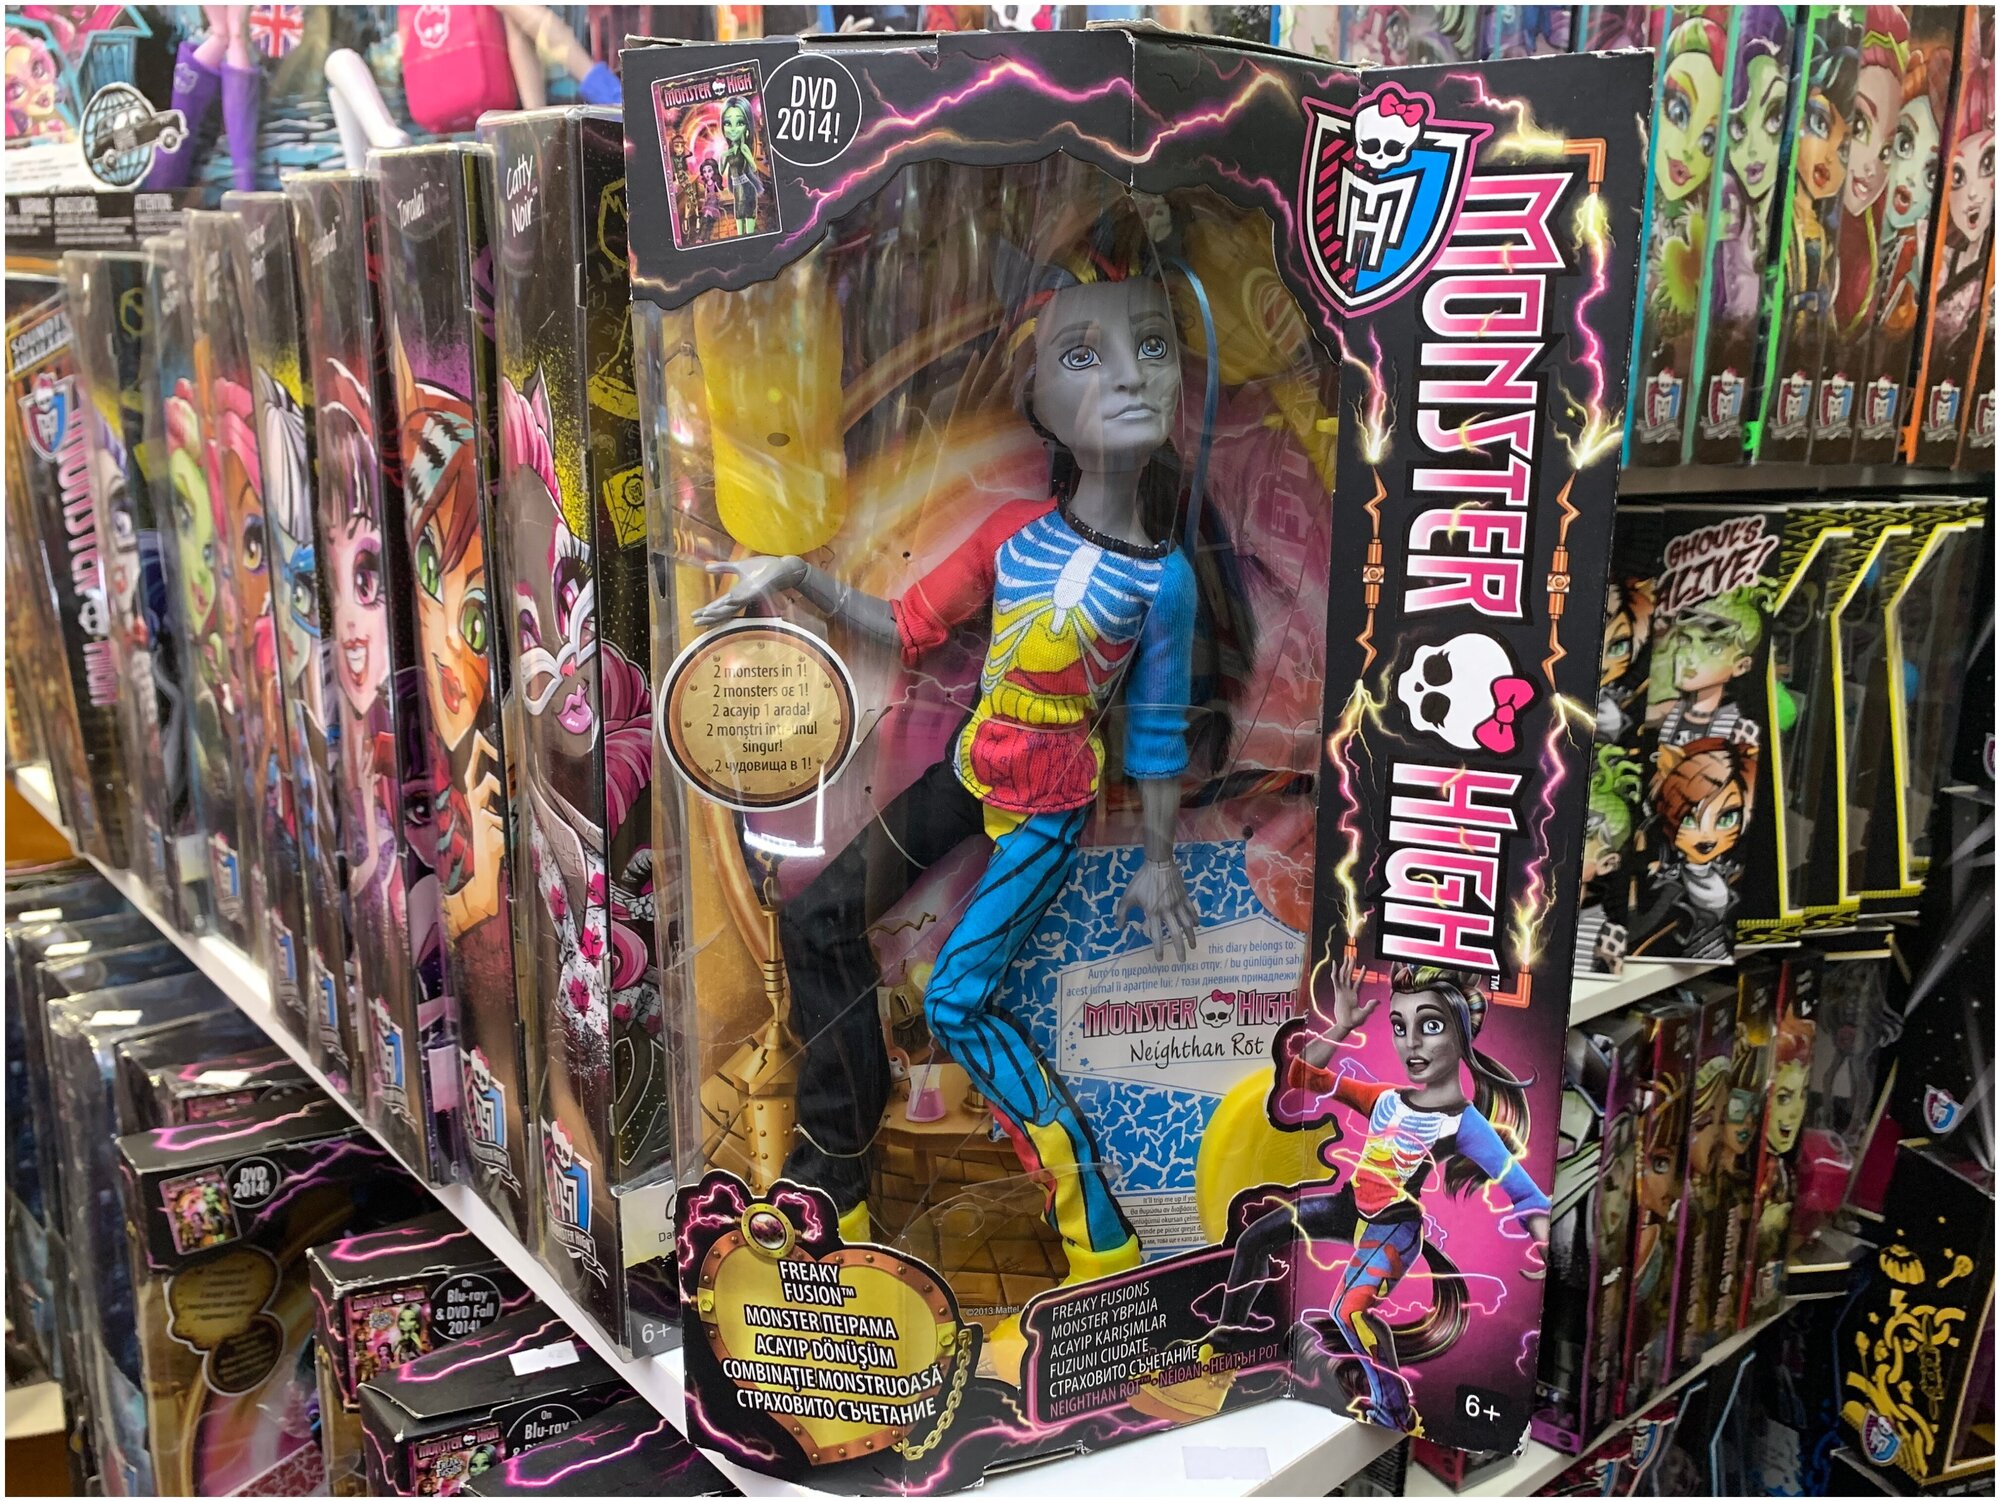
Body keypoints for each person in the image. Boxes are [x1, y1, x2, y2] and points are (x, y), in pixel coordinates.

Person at [694, 211, 1199, 1288]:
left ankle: (1096, 1229)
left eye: (1151, 345)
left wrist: (1159, 858)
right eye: (1084, 354)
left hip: (1048, 809)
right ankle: (836, 1171)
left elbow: (1157, 732)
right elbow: (906, 622)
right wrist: (792, 574)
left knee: (960, 1002)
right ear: (1038, 397)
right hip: (970, 771)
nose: (1128, 377)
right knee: (817, 914)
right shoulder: (1015, 537)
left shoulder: (1164, 578)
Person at [1193, 959, 1550, 1434]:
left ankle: (1394, 1407)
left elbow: (1523, 1190)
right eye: (1400, 1026)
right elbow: (1301, 1075)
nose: (1411, 1043)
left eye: (1430, 1026)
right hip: (1348, 1206)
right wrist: (1341, 1025)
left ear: (1462, 1034)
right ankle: (1227, 1345)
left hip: (1394, 1227)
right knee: (1257, 1236)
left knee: (1350, 1312)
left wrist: (1542, 1242)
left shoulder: (1463, 1122)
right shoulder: (1385, 1097)